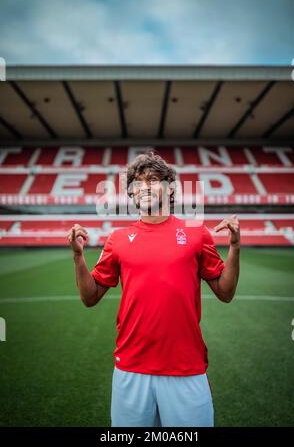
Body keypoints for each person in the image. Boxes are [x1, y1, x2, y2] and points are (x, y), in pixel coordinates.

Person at [67, 152, 240, 427]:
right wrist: (78, 257)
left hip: (187, 367)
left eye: (153, 180)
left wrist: (234, 248)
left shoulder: (197, 233)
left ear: (170, 189)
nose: (144, 187)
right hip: (131, 368)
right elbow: (90, 297)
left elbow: (226, 292)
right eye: (137, 183)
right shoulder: (118, 239)